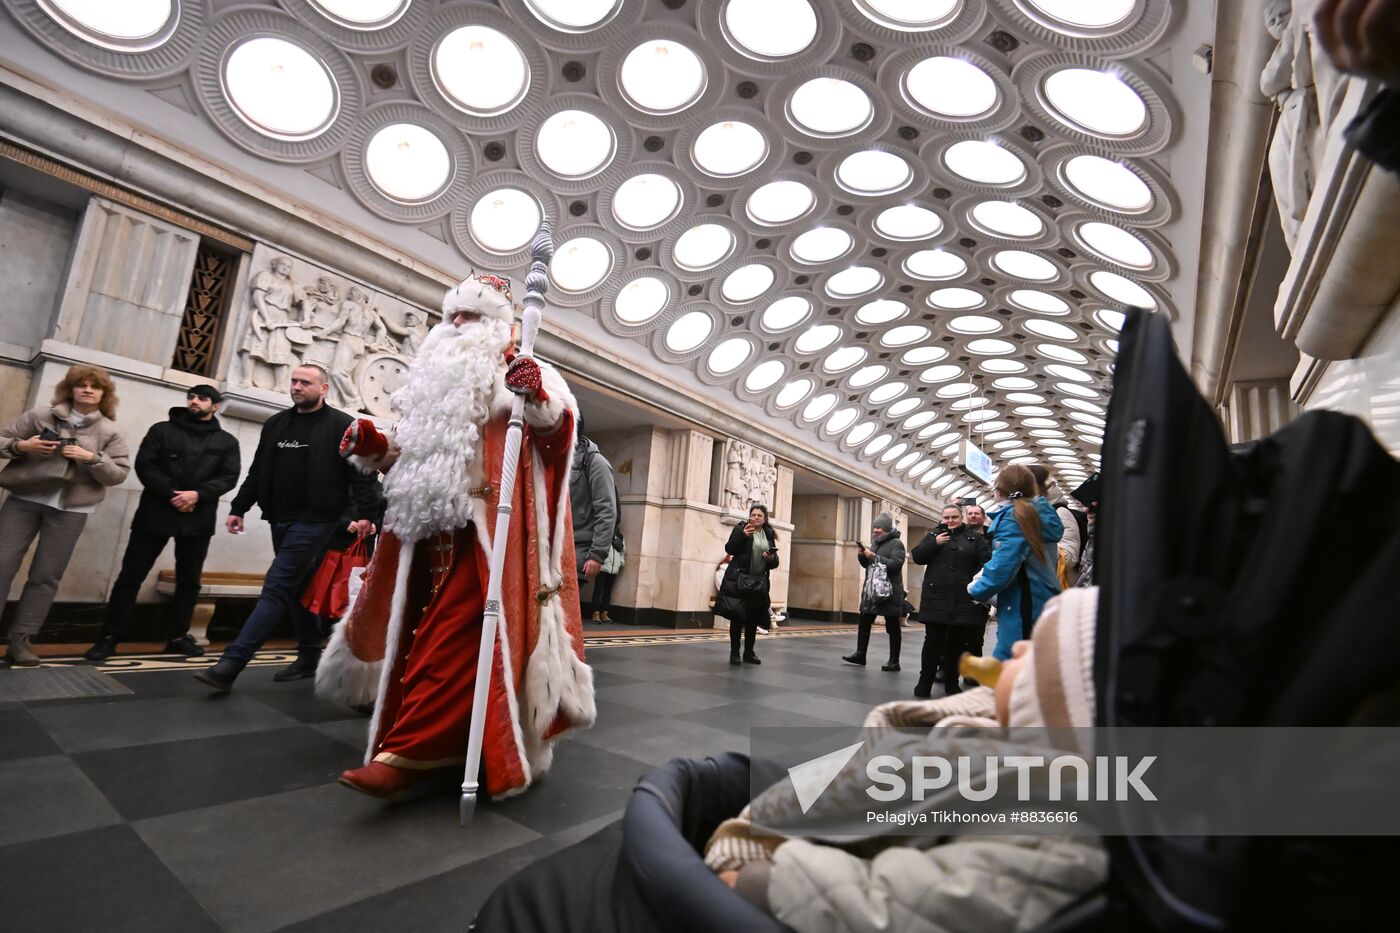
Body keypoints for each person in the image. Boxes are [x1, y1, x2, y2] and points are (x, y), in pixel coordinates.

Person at [320, 272, 595, 802]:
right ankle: (444, 747)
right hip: (426, 533)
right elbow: (409, 455)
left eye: (469, 316)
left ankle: (407, 756)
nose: (456, 325)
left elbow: (561, 437)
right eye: (452, 316)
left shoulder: (522, 369)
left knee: (449, 638)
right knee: (421, 634)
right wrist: (376, 445)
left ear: (495, 324)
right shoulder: (432, 383)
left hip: (488, 537)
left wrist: (535, 396)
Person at [705, 588, 1106, 932]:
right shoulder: (1023, 772)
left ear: (1055, 706)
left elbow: (890, 905)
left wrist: (760, 880)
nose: (1018, 646)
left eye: (1038, 652)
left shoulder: (1049, 837)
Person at [194, 364, 378, 691]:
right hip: (280, 517)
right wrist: (239, 507)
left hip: (318, 521)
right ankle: (309, 656)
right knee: (296, 587)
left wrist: (367, 515)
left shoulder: (342, 425)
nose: (296, 386)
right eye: (293, 381)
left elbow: (360, 474)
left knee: (277, 586)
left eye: (305, 382)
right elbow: (258, 470)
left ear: (323, 389)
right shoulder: (277, 424)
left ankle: (230, 665)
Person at [86, 385, 241, 661]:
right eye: (191, 397)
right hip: (155, 513)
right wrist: (173, 495)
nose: (195, 402)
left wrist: (197, 495)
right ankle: (109, 637)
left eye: (202, 399)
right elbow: (146, 466)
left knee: (189, 581)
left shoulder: (227, 441)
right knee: (130, 577)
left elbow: (228, 477)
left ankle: (178, 637)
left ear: (215, 406)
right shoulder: (161, 430)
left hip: (198, 518)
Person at [0, 366, 130, 667]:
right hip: (24, 499)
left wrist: (92, 459)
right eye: (81, 385)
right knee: (2, 565)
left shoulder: (111, 431)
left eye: (95, 387)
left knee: (46, 576)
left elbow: (119, 474)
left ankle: (21, 641)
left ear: (104, 394)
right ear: (70, 389)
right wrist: (23, 445)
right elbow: (3, 439)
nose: (87, 390)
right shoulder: (39, 416)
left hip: (72, 510)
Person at [969, 464, 1063, 660]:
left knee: (1013, 663)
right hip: (1038, 598)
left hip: (1023, 603)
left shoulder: (1014, 519)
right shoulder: (1037, 515)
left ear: (1000, 491)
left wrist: (977, 589)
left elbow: (1004, 564)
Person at [910, 503, 992, 698]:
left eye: (954, 517)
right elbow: (918, 556)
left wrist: (975, 589)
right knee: (932, 642)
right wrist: (935, 543)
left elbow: (986, 563)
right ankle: (924, 682)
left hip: (962, 599)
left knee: (956, 644)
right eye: (946, 517)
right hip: (935, 598)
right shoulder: (934, 535)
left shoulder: (976, 539)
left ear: (961, 517)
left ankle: (952, 683)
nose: (950, 521)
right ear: (941, 518)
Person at [844, 512, 906, 671]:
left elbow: (895, 565)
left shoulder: (897, 544)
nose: (875, 530)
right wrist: (863, 557)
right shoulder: (875, 542)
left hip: (889, 591)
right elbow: (869, 565)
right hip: (872, 590)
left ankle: (894, 661)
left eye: (878, 527)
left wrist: (873, 556)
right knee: (864, 621)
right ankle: (860, 654)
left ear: (886, 528)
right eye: (874, 527)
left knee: (892, 626)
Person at [570, 414, 617, 621]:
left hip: (577, 549)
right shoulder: (554, 458)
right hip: (550, 547)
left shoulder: (596, 462)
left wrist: (596, 554)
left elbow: (606, 510)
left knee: (561, 612)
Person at [721, 504, 779, 666]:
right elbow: (730, 549)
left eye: (759, 515)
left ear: (764, 519)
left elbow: (775, 562)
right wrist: (743, 536)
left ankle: (749, 652)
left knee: (753, 619)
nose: (755, 517)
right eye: (753, 514)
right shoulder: (741, 528)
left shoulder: (768, 534)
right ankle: (734, 653)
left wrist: (770, 558)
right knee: (737, 617)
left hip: (758, 583)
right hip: (740, 580)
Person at [1028, 463, 1087, 588]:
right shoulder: (1035, 514)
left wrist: (1032, 552)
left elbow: (1069, 557)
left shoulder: (1061, 513)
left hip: (1056, 587)